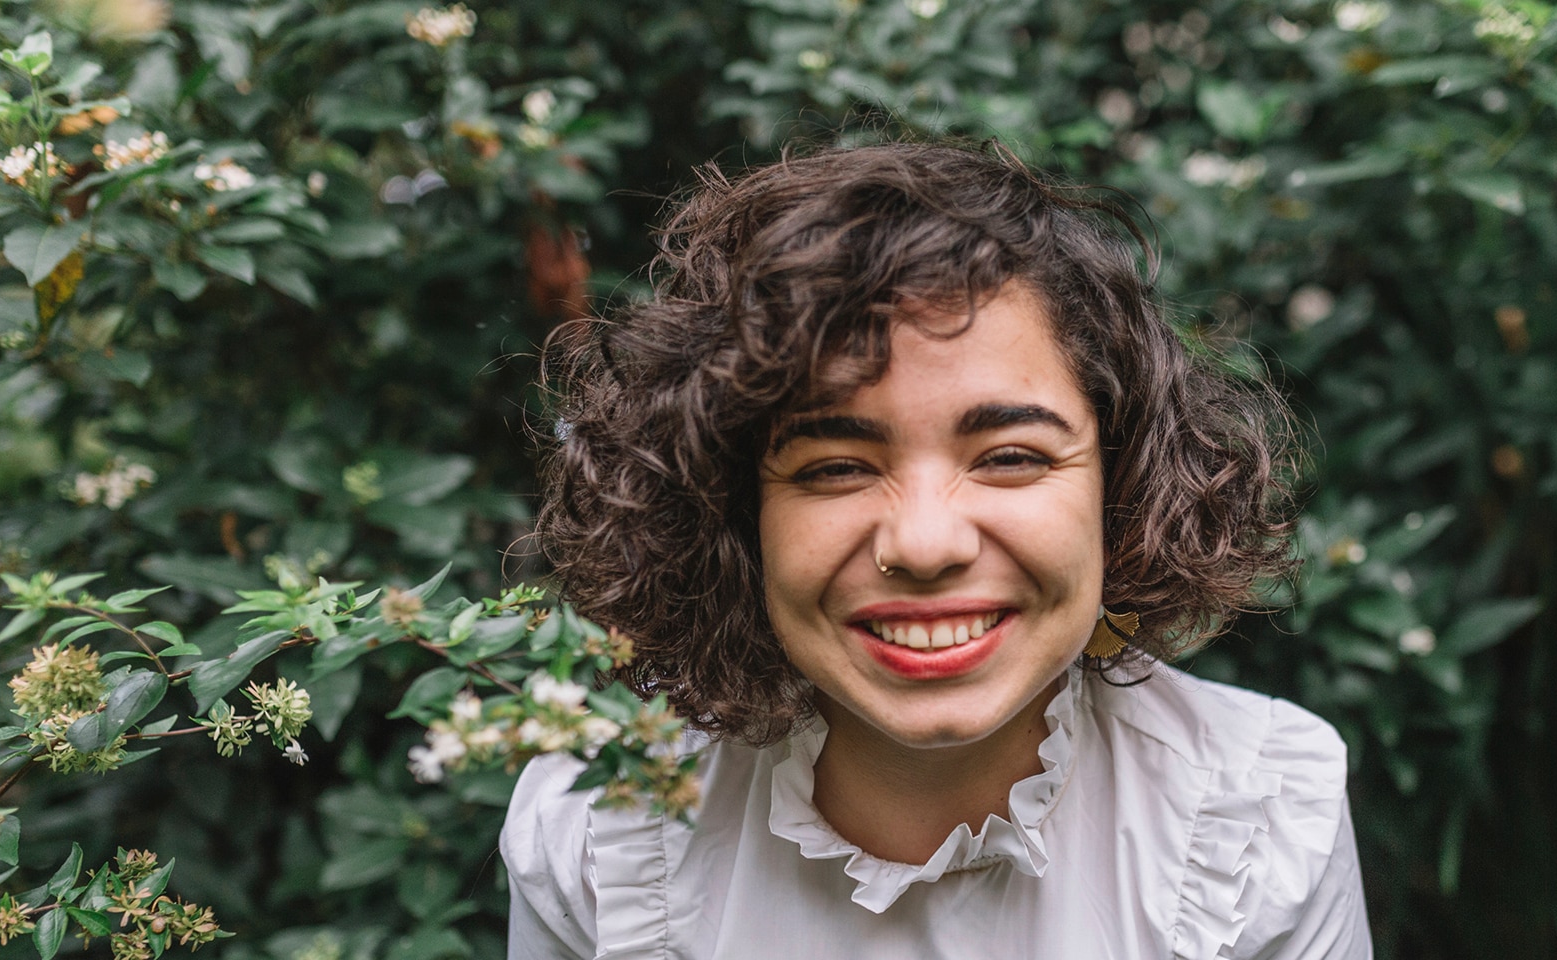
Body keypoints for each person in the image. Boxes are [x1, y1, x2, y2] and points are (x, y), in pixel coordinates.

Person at [503, 141, 1371, 959]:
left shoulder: (1261, 822)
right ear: (732, 511)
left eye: (1010, 458)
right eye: (837, 467)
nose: (923, 544)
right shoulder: (594, 828)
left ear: (1124, 484)